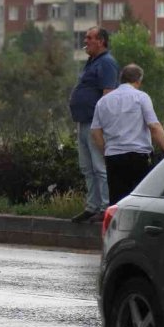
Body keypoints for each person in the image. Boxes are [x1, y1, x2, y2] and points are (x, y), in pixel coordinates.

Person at [90, 64, 164, 205]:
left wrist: (106, 152)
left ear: (121, 79)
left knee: (117, 202)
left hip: (113, 158)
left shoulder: (103, 101)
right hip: (138, 157)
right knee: (139, 201)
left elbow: (95, 131)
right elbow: (154, 126)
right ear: (138, 81)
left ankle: (117, 226)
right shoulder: (141, 97)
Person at [69, 27, 119, 223]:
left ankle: (105, 206)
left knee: (99, 167)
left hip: (95, 124)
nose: (85, 41)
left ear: (101, 41)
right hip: (83, 122)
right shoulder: (92, 62)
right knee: (87, 168)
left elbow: (108, 95)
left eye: (89, 38)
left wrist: (100, 125)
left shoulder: (106, 63)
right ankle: (92, 206)